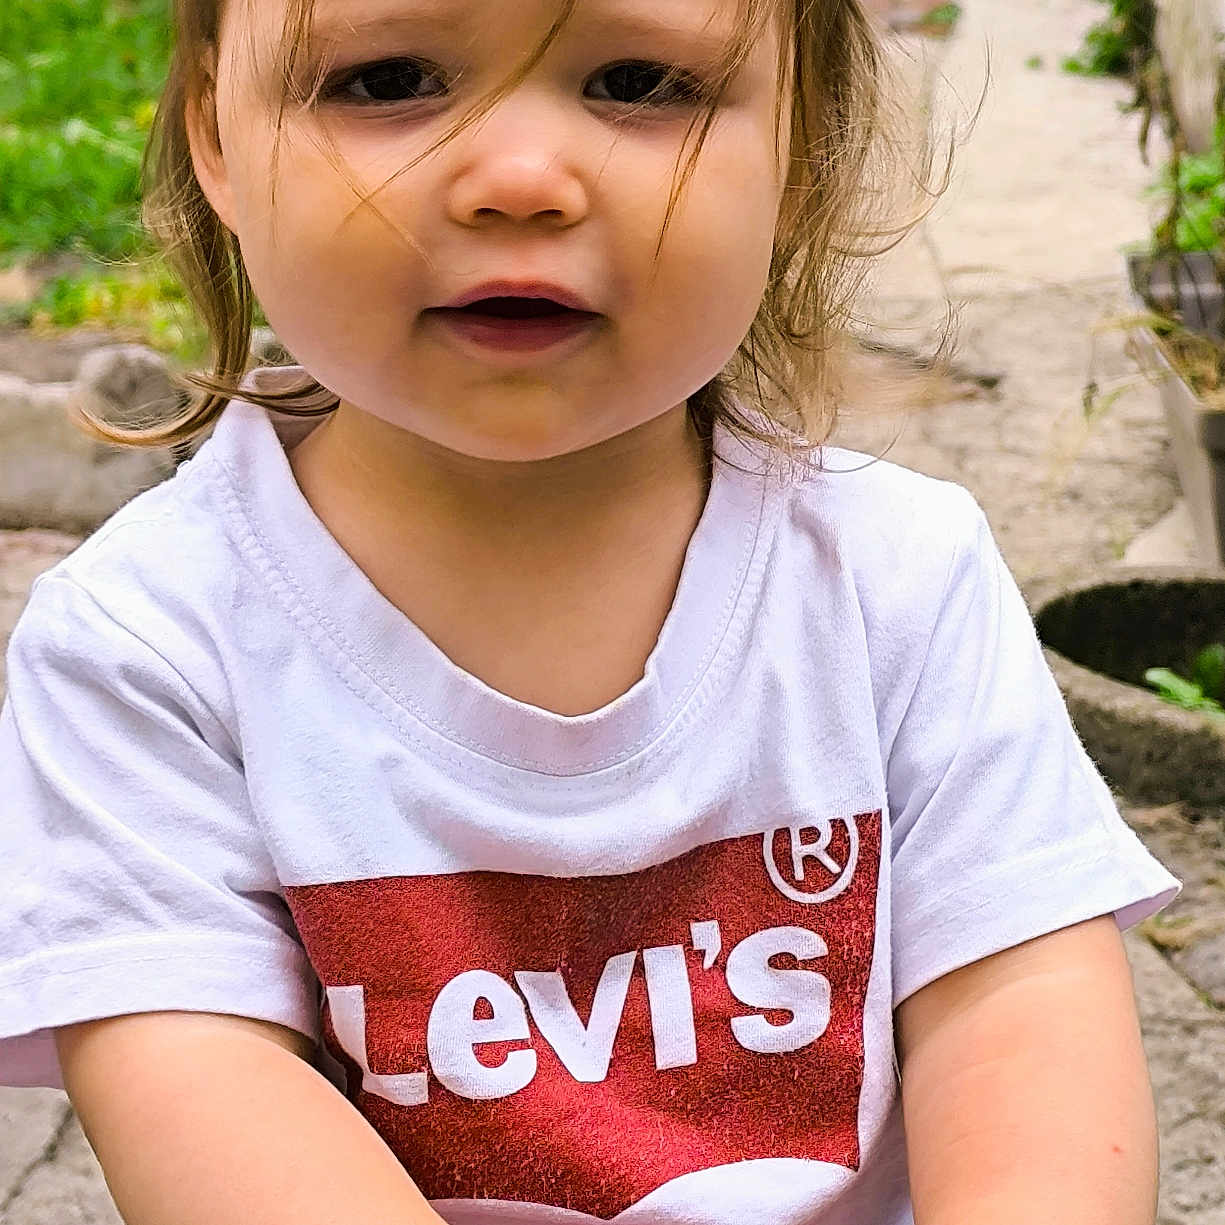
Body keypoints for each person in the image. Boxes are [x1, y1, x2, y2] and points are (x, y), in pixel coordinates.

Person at [0, 0, 1182, 1222]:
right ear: (217, 137)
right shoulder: (142, 655)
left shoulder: (901, 584)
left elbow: (1020, 1022)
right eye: (387, 78)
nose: (519, 180)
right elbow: (203, 1085)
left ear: (803, 141)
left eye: (638, 82)